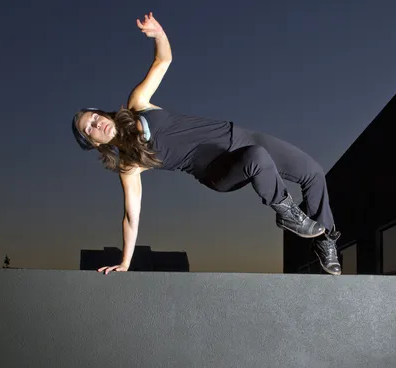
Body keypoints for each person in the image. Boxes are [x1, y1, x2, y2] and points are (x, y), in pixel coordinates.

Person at [71, 12, 341, 275]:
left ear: (103, 113)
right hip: (217, 171)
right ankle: (287, 211)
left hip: (238, 137)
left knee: (314, 173)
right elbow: (131, 216)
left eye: (95, 117)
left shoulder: (138, 103)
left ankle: (325, 241)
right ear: (94, 143)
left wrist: (159, 34)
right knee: (256, 158)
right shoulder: (130, 163)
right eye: (90, 128)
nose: (97, 124)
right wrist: (125, 262)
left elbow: (163, 60)